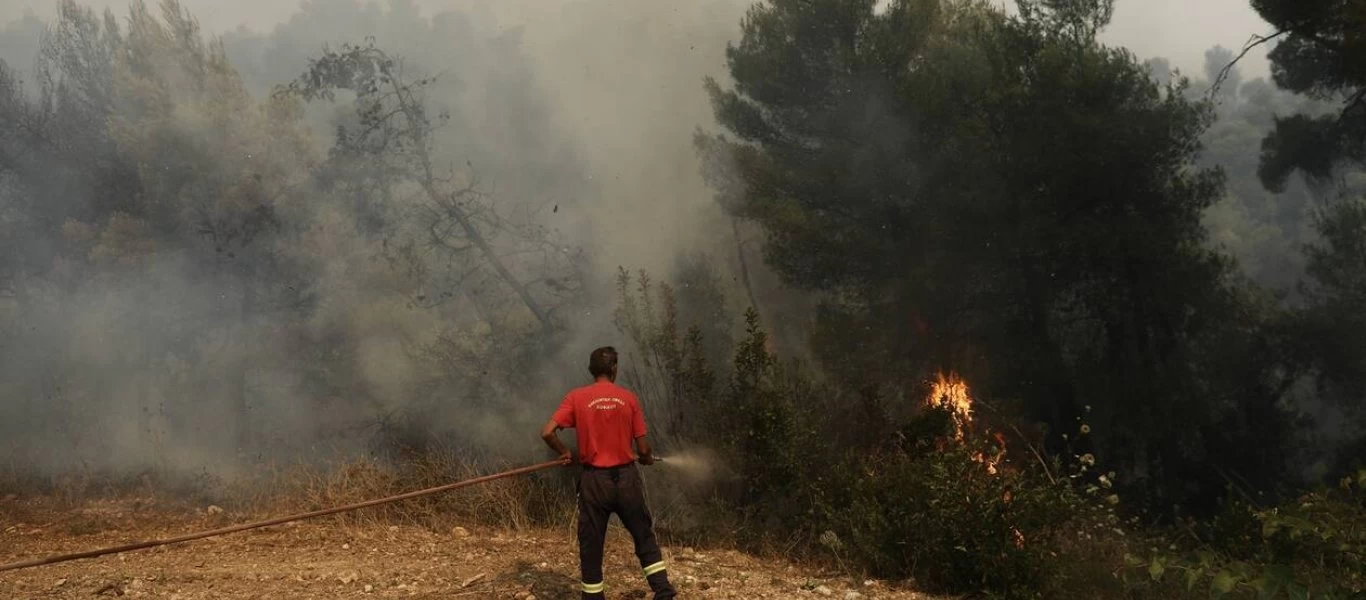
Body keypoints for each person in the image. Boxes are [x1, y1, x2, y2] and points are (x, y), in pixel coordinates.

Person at [541, 346, 677, 600]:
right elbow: (643, 449)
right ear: (614, 368)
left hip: (594, 482)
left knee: (591, 545)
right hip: (626, 480)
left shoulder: (576, 397)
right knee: (643, 536)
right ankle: (663, 591)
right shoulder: (628, 398)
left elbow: (547, 432)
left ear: (591, 370)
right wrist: (646, 458)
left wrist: (564, 452)